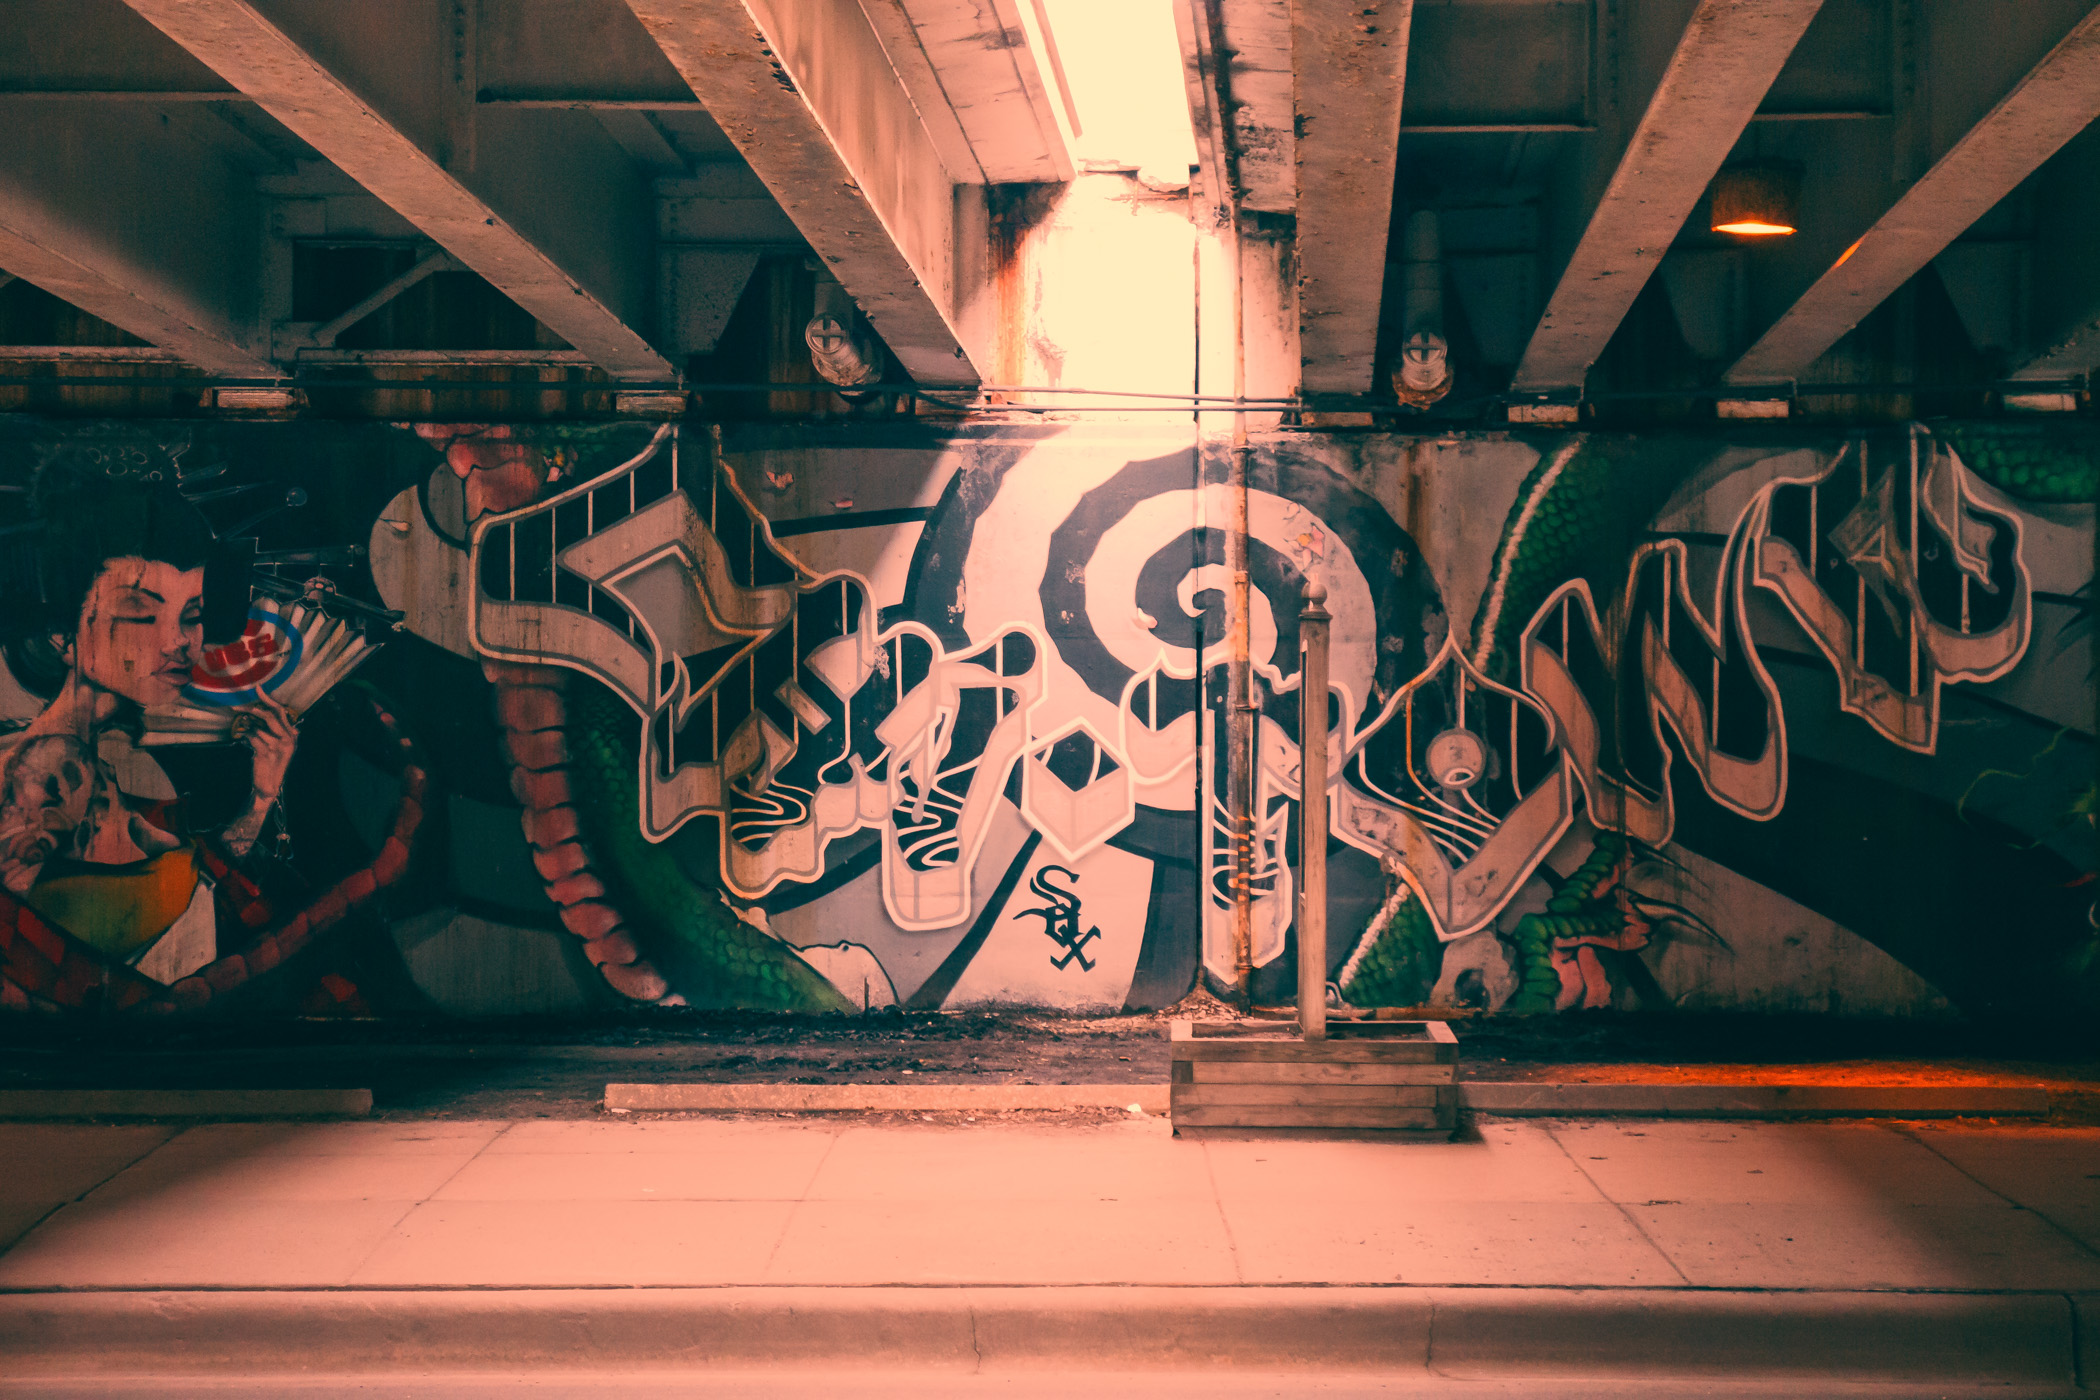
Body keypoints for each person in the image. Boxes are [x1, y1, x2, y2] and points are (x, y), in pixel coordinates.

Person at [0, 478, 296, 983]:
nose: (179, 640)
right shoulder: (41, 773)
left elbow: (195, 893)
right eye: (140, 612)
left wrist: (262, 796)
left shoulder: (108, 764)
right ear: (60, 635)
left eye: (193, 614)